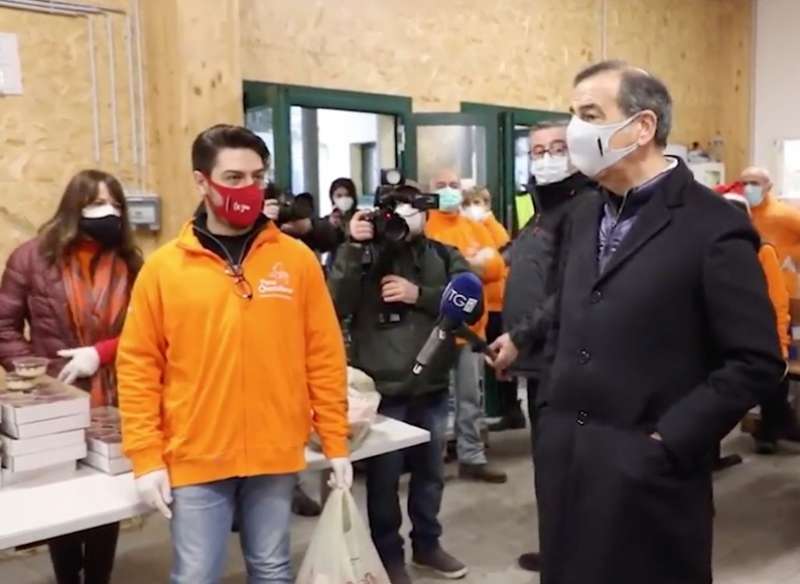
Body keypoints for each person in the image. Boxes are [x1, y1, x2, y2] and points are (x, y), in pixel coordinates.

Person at [489, 60, 784, 584]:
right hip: (568, 462)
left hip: (649, 475)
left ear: (642, 127)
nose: (575, 130)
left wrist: (668, 440)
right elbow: (570, 307)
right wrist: (555, 409)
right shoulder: (583, 215)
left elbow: (756, 361)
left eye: (590, 114)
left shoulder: (713, 226)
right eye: (572, 114)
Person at [116, 124, 352, 584]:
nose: (248, 189)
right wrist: (145, 457)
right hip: (197, 454)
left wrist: (335, 439)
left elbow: (322, 355)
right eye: (234, 177)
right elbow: (139, 366)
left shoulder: (296, 260)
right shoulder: (164, 269)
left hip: (275, 452)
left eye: (257, 177)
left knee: (271, 567)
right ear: (202, 181)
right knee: (196, 575)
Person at [0, 169, 143, 584]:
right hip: (55, 408)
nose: (109, 212)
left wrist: (100, 354)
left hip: (115, 400)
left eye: (116, 205)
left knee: (106, 500)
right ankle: (67, 576)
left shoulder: (131, 262)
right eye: (97, 203)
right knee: (63, 499)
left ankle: (99, 576)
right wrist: (42, 380)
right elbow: (4, 327)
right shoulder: (31, 258)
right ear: (73, 208)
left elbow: (147, 330)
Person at [328, 183, 471, 584]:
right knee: (384, 482)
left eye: (413, 208)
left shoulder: (443, 254)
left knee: (430, 476)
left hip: (432, 384)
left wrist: (419, 294)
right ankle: (388, 554)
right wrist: (352, 248)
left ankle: (428, 545)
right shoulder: (364, 254)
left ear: (426, 212)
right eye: (395, 209)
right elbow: (334, 304)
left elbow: (469, 301)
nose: (405, 218)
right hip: (382, 392)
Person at [502, 118, 594, 573]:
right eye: (538, 151)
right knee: (549, 468)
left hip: (564, 361)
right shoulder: (540, 208)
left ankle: (572, 555)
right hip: (536, 360)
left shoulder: (586, 208)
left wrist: (519, 338)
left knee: (566, 467)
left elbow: (574, 291)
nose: (547, 157)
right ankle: (558, 546)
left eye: (557, 148)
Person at [426, 169, 507, 483]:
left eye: (453, 186)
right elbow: (433, 277)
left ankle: (472, 457)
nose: (448, 191)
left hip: (472, 331)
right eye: (440, 185)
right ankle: (431, 464)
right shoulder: (425, 227)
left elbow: (497, 269)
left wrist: (466, 266)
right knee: (434, 401)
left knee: (470, 398)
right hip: (435, 330)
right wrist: (473, 263)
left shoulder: (473, 226)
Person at [721, 190, 800, 454]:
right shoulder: (708, 247)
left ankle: (773, 426)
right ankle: (780, 423)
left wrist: (780, 343)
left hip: (755, 329)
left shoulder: (762, 250)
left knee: (771, 371)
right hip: (720, 330)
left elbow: (777, 302)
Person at [460, 187, 520, 431]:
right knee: (488, 362)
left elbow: (503, 252)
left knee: (501, 359)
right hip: (482, 302)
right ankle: (503, 409)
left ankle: (511, 408)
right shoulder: (465, 227)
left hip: (499, 302)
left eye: (479, 202)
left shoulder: (492, 226)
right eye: (470, 202)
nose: (475, 206)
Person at [740, 166, 800, 295]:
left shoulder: (785, 214)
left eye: (754, 183)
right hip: (750, 283)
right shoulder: (740, 213)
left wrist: (790, 254)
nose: (748, 188)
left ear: (769, 186)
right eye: (744, 183)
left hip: (781, 287)